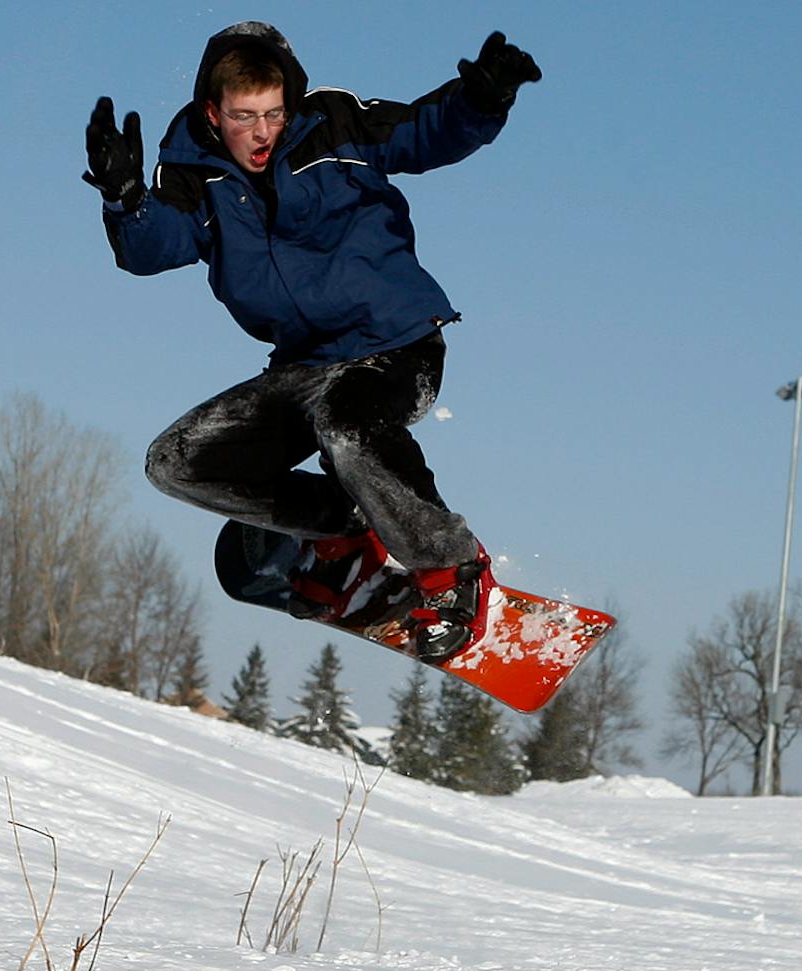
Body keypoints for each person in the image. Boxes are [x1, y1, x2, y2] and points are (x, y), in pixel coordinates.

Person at [83, 21, 542, 663]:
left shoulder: (334, 126)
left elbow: (426, 132)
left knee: (347, 423)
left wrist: (484, 100)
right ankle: (347, 532)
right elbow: (151, 248)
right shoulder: (194, 173)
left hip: (394, 345)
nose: (264, 132)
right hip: (302, 367)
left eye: (274, 112)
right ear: (214, 113)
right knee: (177, 462)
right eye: (246, 117)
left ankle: (452, 573)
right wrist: (126, 199)